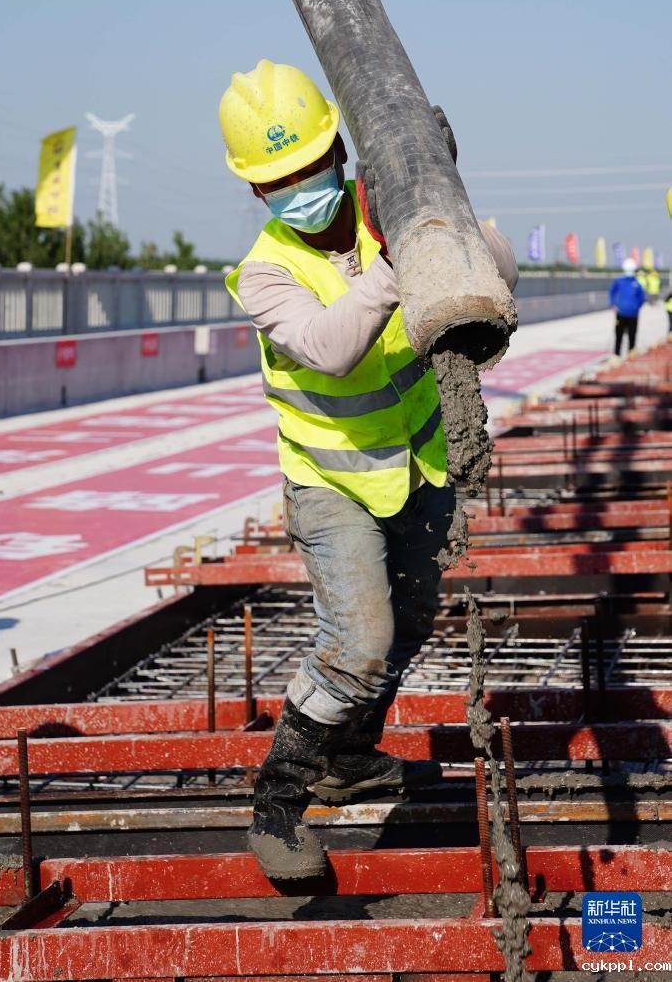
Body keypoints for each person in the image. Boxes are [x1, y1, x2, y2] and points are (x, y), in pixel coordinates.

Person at [219, 59, 518, 880]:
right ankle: (276, 806)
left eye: (313, 165)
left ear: (341, 153)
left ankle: (349, 753)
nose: (303, 186)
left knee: (410, 623)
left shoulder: (385, 210)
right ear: (257, 193)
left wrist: (445, 220)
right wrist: (399, 255)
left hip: (418, 467)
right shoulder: (265, 271)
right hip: (334, 484)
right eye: (282, 178)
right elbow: (333, 346)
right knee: (360, 638)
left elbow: (491, 268)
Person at [610, 258, 646, 356]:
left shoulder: (637, 283)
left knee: (632, 335)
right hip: (621, 313)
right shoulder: (620, 281)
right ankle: (617, 355)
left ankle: (631, 354)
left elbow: (642, 297)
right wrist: (613, 304)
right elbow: (612, 292)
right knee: (619, 335)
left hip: (633, 315)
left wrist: (636, 307)